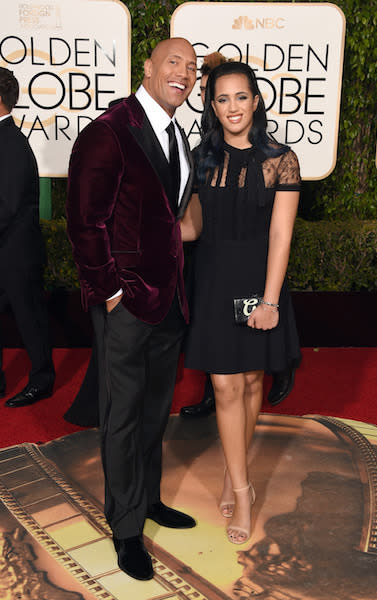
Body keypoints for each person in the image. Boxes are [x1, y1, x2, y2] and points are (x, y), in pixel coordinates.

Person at [66, 38, 197, 581]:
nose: (184, 74)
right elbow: (84, 222)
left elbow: (174, 214)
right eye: (174, 63)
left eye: (192, 68)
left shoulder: (176, 132)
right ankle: (125, 529)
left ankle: (146, 500)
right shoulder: (108, 131)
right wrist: (111, 294)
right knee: (121, 416)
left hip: (168, 301)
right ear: (147, 67)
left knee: (152, 410)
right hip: (126, 303)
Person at [180, 61, 301, 544]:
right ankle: (245, 489)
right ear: (212, 106)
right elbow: (191, 228)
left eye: (241, 97)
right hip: (212, 282)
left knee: (251, 382)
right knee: (226, 388)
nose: (233, 107)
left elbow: (280, 233)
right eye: (222, 99)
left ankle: (233, 473)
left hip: (258, 282)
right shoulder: (200, 159)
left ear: (256, 101)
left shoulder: (280, 159)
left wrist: (270, 300)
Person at [0, 67, 55, 407]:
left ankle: (42, 380)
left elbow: (6, 205)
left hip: (17, 254)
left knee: (29, 318)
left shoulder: (12, 143)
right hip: (5, 249)